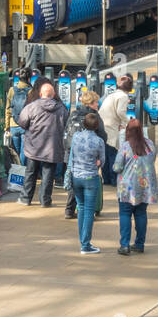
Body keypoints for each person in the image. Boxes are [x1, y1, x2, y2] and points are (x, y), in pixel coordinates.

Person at [16, 82, 67, 207]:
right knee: (48, 175)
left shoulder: (32, 107)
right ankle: (45, 200)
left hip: (34, 146)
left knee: (30, 173)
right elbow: (65, 123)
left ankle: (25, 198)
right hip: (52, 147)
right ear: (54, 94)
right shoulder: (61, 108)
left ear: (40, 94)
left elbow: (22, 122)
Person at [113, 118, 157, 255]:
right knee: (141, 214)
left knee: (125, 214)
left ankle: (124, 245)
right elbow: (152, 160)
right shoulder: (150, 145)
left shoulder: (126, 146)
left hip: (127, 188)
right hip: (145, 187)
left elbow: (117, 167)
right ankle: (139, 243)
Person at [67, 112, 106, 254]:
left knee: (81, 207)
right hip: (90, 178)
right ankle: (85, 244)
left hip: (76, 176)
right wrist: (97, 162)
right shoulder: (99, 141)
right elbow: (102, 161)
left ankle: (82, 240)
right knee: (89, 210)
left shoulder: (76, 137)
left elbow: (72, 154)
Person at [63, 90, 105, 220]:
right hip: (89, 156)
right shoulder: (94, 116)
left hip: (71, 154)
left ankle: (69, 210)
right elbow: (102, 135)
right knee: (89, 182)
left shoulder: (73, 114)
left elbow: (66, 133)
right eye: (96, 102)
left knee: (74, 181)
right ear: (91, 103)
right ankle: (89, 212)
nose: (98, 104)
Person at [97, 75, 133, 185]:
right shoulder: (123, 97)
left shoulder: (112, 95)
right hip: (111, 127)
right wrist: (128, 122)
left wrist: (122, 123)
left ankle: (106, 179)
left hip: (103, 125)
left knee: (106, 154)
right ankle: (114, 180)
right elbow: (120, 112)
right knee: (113, 153)